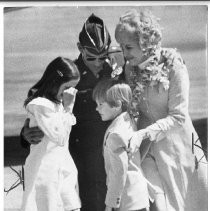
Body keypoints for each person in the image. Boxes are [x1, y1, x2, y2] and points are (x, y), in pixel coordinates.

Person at [20, 14, 124, 211]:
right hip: (81, 157)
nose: (97, 63)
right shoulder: (70, 76)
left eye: (102, 57)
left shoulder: (114, 71)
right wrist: (25, 135)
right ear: (80, 48)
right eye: (91, 57)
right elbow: (43, 107)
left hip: (109, 153)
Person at [115, 9, 208, 211]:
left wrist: (144, 134)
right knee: (157, 205)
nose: (124, 54)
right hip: (148, 150)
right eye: (121, 47)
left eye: (128, 47)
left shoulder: (173, 64)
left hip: (183, 148)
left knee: (191, 201)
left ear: (146, 43)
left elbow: (179, 117)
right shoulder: (130, 68)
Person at [21, 57, 81, 211]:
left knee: (72, 206)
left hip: (63, 168)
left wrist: (66, 108)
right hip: (45, 172)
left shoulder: (58, 103)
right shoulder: (41, 105)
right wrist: (68, 108)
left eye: (74, 87)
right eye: (67, 87)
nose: (71, 92)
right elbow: (58, 136)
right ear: (55, 81)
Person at [93, 79, 150, 211]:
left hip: (127, 200)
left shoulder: (115, 134)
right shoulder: (128, 120)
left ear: (117, 105)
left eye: (101, 104)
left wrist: (110, 204)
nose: (97, 108)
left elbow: (119, 172)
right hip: (139, 195)